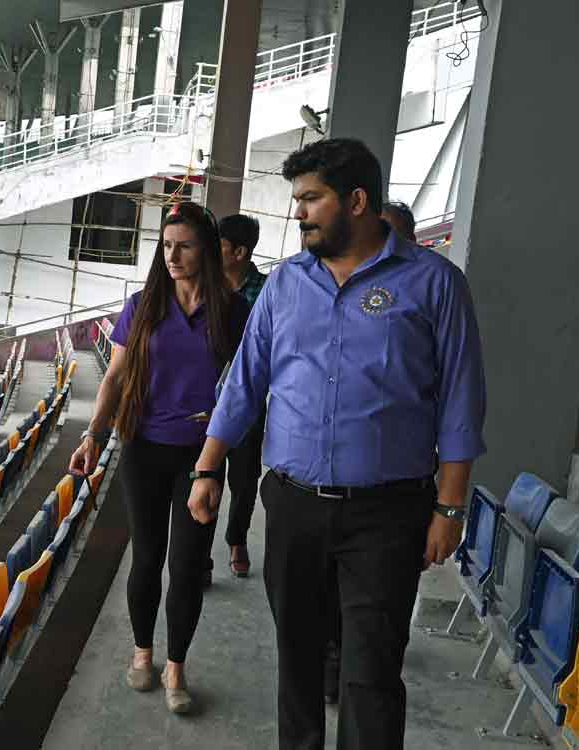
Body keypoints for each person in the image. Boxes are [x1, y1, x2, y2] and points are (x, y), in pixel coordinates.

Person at [187, 138, 486, 749]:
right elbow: (246, 381)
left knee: (371, 673)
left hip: (388, 513)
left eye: (310, 199)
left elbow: (461, 400)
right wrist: (207, 467)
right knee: (297, 663)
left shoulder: (434, 284)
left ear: (356, 201)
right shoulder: (286, 285)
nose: (298, 212)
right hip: (294, 504)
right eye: (297, 199)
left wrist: (450, 507)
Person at [69, 200, 248, 715]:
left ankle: (176, 668)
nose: (173, 255)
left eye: (185, 246)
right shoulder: (143, 305)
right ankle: (142, 654)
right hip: (144, 449)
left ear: (207, 251)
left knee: (188, 566)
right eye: (167, 246)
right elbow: (114, 377)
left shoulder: (232, 312)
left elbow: (247, 383)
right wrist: (94, 435)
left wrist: (220, 431)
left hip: (201, 457)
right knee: (147, 557)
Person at [215, 212, 266, 578]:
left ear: (239, 252)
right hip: (207, 402)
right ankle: (200, 551)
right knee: (206, 474)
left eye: (219, 247)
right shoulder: (206, 290)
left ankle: (237, 540)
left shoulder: (265, 292)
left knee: (244, 480)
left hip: (249, 401)